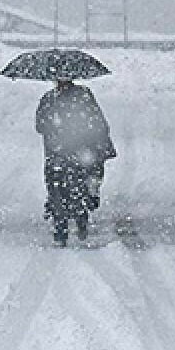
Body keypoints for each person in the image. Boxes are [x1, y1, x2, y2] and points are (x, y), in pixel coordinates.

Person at [36, 78, 116, 246]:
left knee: (57, 189)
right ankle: (80, 220)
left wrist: (55, 128)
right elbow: (97, 122)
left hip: (58, 153)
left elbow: (40, 126)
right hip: (80, 152)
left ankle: (61, 229)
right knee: (79, 186)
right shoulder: (84, 96)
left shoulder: (49, 99)